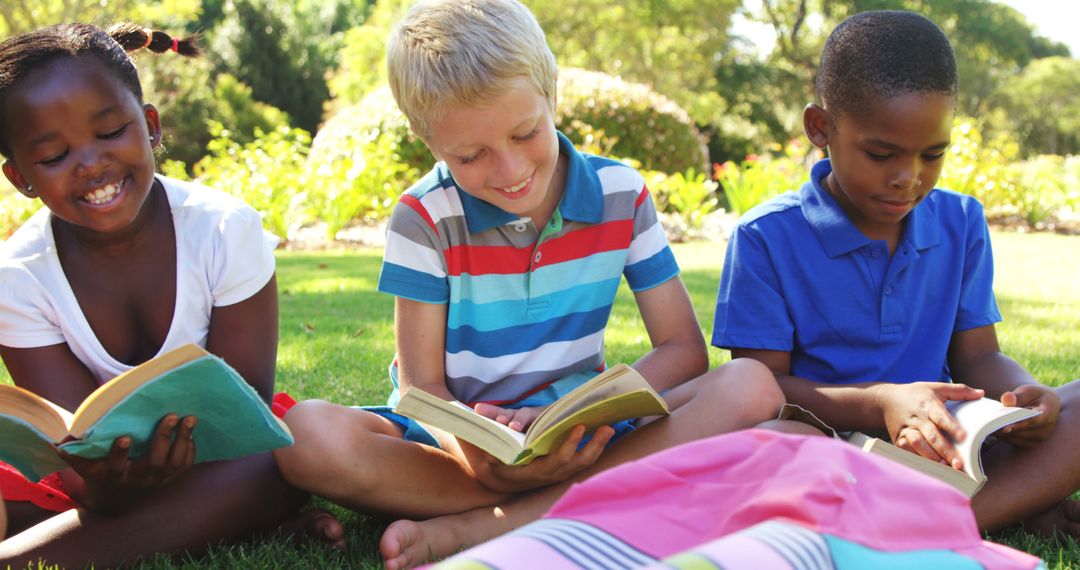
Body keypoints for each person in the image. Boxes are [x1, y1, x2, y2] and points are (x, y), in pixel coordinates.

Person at [272, 1, 785, 567]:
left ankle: (489, 524)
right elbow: (423, 388)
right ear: (428, 140)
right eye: (470, 155)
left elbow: (684, 350)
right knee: (305, 435)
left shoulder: (622, 193)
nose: (510, 171)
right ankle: (561, 499)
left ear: (552, 95)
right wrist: (479, 457)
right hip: (463, 445)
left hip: (588, 434)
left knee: (750, 385)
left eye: (525, 133)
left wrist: (589, 411)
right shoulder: (425, 217)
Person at [713, 10, 1080, 540]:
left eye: (933, 155)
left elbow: (978, 356)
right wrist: (882, 400)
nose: (908, 179)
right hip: (835, 450)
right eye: (881, 154)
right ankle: (1000, 507)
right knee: (771, 443)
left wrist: (1027, 395)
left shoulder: (960, 221)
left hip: (948, 446)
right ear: (821, 128)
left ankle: (941, 517)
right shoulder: (767, 237)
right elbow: (760, 389)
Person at [0, 23, 342, 567]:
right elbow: (73, 464)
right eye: (54, 155)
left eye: (110, 132)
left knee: (288, 453)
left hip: (223, 461)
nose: (90, 163)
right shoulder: (16, 278)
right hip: (92, 487)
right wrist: (112, 489)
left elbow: (244, 425)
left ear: (151, 126)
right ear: (21, 178)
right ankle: (217, 526)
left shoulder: (226, 230)